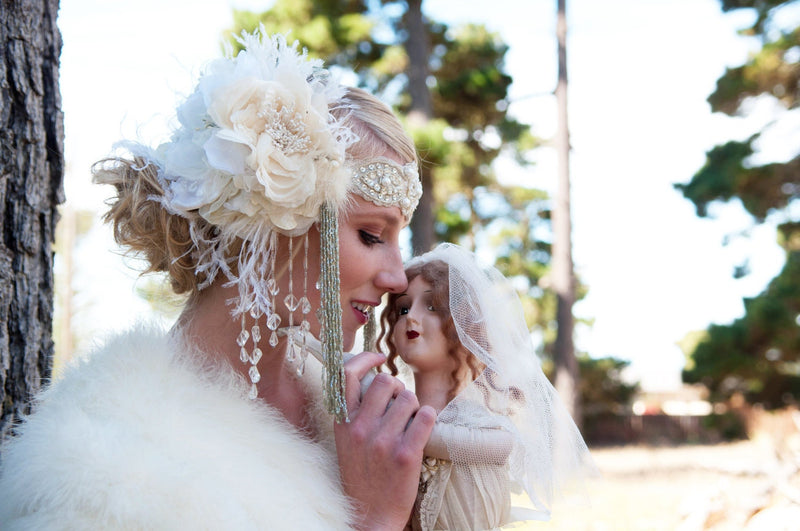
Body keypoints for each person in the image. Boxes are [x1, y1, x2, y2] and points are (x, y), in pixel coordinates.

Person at [0, 30, 435, 529]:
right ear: (277, 221)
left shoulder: (353, 416)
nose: (398, 276)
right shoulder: (101, 469)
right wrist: (377, 520)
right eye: (372, 234)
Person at [379, 243, 598, 530]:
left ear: (462, 326)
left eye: (432, 306)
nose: (411, 317)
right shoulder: (390, 415)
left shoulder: (485, 428)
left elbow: (440, 439)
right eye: (403, 307)